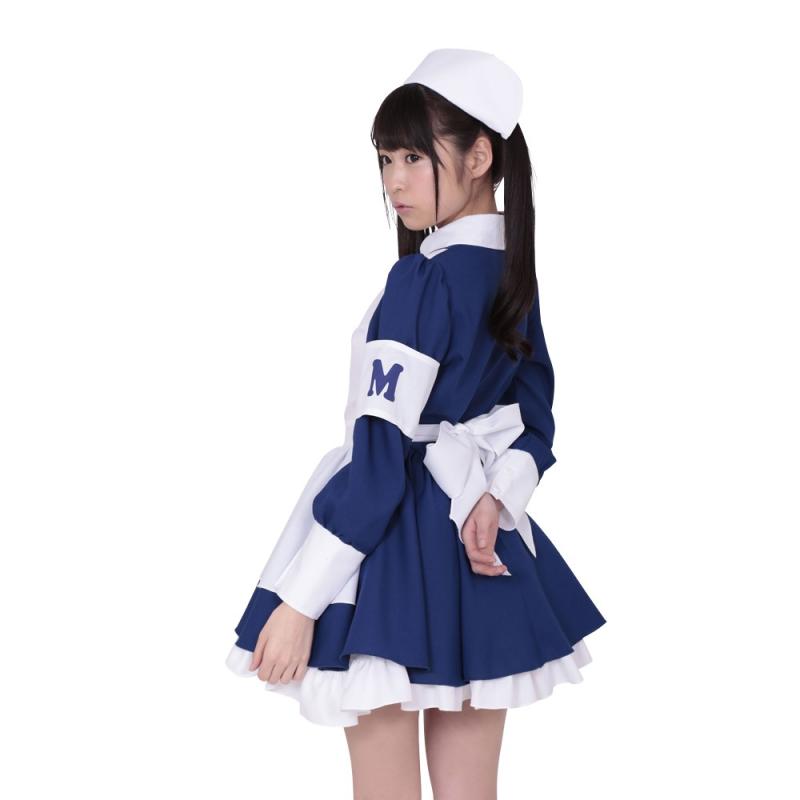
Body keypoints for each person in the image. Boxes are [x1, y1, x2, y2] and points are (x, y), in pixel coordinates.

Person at [226, 48, 606, 799]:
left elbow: (379, 462)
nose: (394, 180)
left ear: (479, 157)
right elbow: (534, 420)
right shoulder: (510, 274)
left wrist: (300, 601)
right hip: (477, 549)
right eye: (384, 159)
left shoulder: (421, 279)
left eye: (412, 156)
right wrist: (497, 496)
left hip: (391, 552)